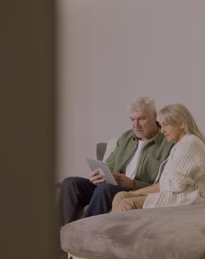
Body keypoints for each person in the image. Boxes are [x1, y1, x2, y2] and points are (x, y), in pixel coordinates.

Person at [60, 96, 173, 225]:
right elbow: (109, 166)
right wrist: (98, 176)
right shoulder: (127, 137)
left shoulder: (168, 142)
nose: (136, 125)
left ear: (154, 116)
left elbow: (165, 184)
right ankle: (61, 233)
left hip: (134, 191)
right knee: (71, 183)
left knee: (105, 189)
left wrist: (133, 184)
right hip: (111, 185)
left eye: (142, 119)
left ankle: (82, 231)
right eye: (132, 119)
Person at [111, 103, 205, 212]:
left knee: (127, 203)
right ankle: (106, 228)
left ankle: (113, 228)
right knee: (120, 196)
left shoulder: (189, 144)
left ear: (181, 124)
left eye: (165, 125)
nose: (162, 130)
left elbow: (173, 184)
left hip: (189, 198)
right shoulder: (180, 145)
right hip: (176, 194)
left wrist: (135, 192)